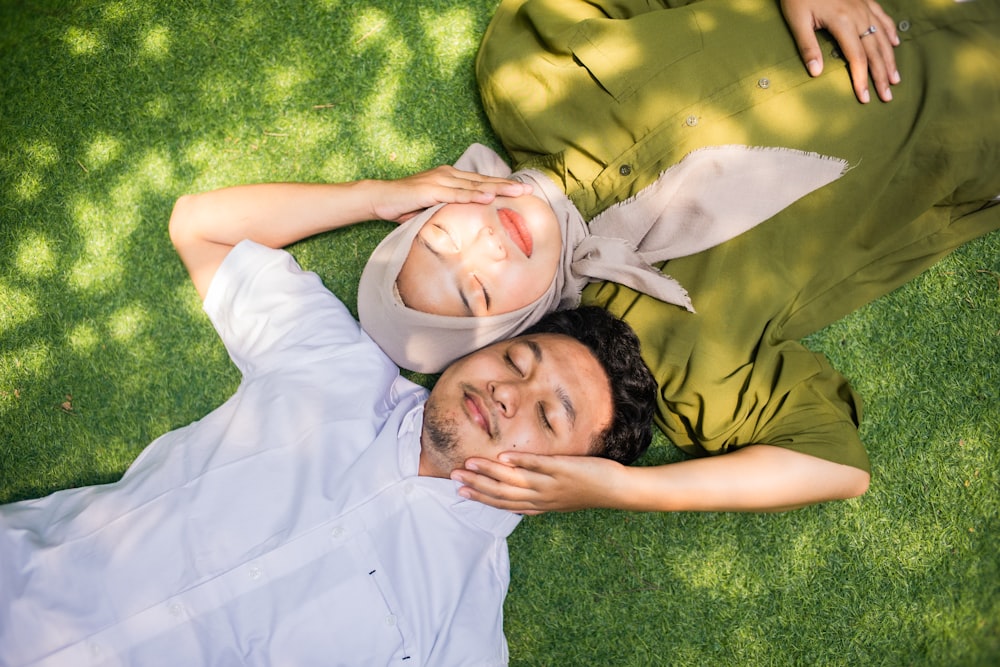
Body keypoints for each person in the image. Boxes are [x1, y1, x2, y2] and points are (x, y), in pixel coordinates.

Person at [0, 174, 657, 667]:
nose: (510, 391)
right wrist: (380, 195)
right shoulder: (334, 365)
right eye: (516, 358)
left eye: (546, 413)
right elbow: (201, 224)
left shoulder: (462, 633)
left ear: (566, 481)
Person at [440, 0, 1000, 513]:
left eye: (512, 363)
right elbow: (835, 463)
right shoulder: (701, 378)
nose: (508, 394)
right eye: (547, 414)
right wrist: (620, 489)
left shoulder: (530, 77)